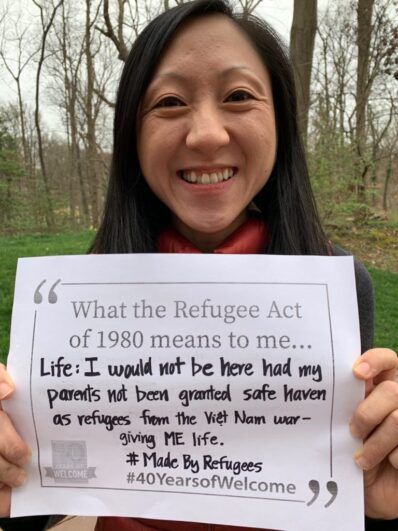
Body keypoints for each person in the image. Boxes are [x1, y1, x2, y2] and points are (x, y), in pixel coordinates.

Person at [0, 0, 397, 529]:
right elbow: (42, 495)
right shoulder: (72, 304)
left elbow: (343, 489)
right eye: (168, 102)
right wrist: (9, 479)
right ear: (131, 136)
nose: (206, 134)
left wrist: (382, 495)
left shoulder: (343, 285)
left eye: (238, 96)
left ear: (280, 122)